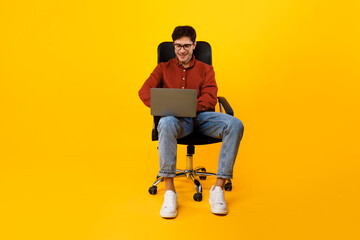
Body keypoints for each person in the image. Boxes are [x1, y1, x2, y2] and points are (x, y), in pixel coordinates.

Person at [138, 26, 244, 218]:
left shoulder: (206, 69)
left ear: (194, 45)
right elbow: (144, 92)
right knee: (167, 122)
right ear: (173, 46)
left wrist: (190, 106)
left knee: (235, 124)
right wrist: (164, 106)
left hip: (202, 118)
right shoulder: (163, 68)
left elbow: (210, 98)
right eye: (178, 46)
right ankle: (170, 192)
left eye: (186, 45)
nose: (182, 50)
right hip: (175, 120)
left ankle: (218, 189)